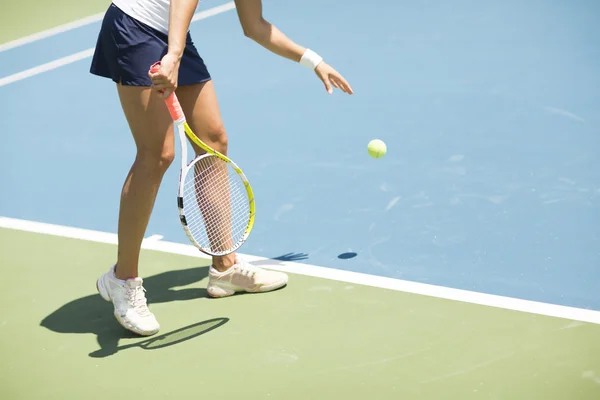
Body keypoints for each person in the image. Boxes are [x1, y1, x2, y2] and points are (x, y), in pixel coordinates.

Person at [90, 0, 354, 337]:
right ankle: (121, 279)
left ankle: (225, 266)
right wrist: (173, 55)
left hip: (172, 36)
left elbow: (254, 25)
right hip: (134, 25)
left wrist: (313, 60)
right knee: (157, 154)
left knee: (214, 141)